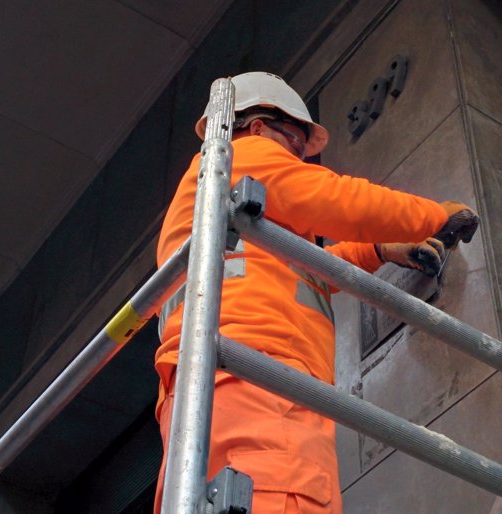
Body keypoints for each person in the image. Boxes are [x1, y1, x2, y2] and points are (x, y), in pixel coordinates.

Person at [153, 71, 478, 514]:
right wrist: (432, 216)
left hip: (225, 383)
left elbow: (302, 270)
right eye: (295, 143)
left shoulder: (216, 207)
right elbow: (336, 200)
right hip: (260, 378)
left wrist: (378, 250)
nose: (300, 159)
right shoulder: (238, 155)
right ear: (258, 127)